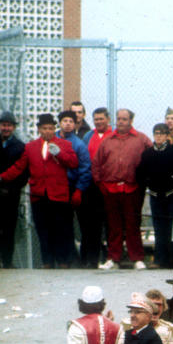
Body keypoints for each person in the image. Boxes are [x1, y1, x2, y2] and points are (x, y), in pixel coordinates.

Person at [0, 113, 79, 268]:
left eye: (51, 128)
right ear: (39, 129)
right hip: (39, 195)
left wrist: (59, 153)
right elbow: (19, 167)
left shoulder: (64, 145)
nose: (48, 131)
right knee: (43, 231)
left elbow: (73, 163)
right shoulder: (30, 147)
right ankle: (46, 262)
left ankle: (62, 262)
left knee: (59, 230)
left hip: (58, 195)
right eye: (45, 128)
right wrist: (1, 177)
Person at [92, 109, 152, 270]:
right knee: (113, 225)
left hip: (132, 188)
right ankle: (113, 258)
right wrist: (100, 183)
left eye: (124, 119)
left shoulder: (141, 139)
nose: (121, 122)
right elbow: (97, 163)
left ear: (131, 120)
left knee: (133, 224)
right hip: (110, 189)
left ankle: (137, 258)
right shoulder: (107, 140)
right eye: (118, 119)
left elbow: (152, 157)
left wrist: (143, 182)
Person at [139, 123, 173, 269]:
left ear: (168, 135)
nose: (159, 137)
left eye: (162, 134)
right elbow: (141, 175)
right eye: (156, 134)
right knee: (159, 228)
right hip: (156, 196)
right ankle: (159, 259)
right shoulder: (147, 154)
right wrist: (149, 183)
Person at [0, 111, 27, 269]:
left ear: (14, 127)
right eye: (3, 125)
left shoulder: (19, 146)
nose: (6, 128)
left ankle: (7, 260)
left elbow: (23, 173)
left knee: (9, 228)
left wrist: (12, 188)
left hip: (11, 193)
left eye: (9, 125)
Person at [57, 110, 94, 265]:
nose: (67, 124)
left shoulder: (79, 144)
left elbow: (85, 168)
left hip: (74, 188)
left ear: (75, 124)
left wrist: (79, 189)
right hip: (57, 189)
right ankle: (63, 259)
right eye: (64, 121)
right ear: (59, 122)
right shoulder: (53, 140)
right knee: (62, 227)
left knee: (84, 226)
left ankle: (84, 260)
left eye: (71, 121)